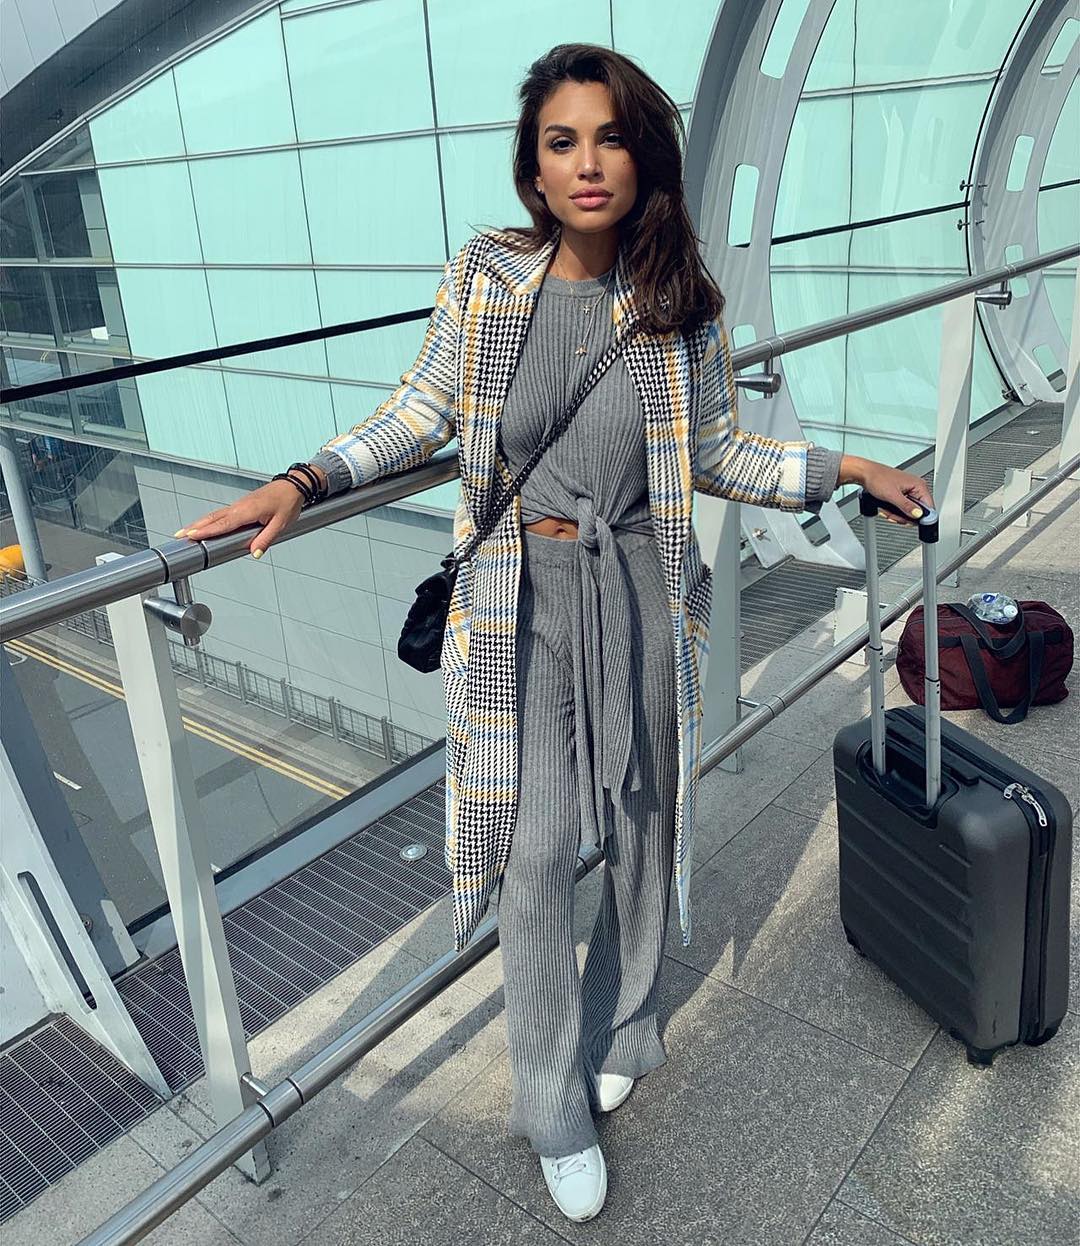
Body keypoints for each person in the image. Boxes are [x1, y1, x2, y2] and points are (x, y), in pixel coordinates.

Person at [177, 43, 934, 1224]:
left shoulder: (681, 305)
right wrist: (305, 479)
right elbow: (418, 411)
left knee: (641, 819)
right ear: (532, 168)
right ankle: (550, 1104)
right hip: (518, 599)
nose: (587, 163)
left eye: (610, 138)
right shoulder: (487, 278)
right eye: (561, 141)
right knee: (532, 853)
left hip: (637, 587)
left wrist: (845, 467)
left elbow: (721, 452)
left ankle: (628, 1023)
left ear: (644, 158)